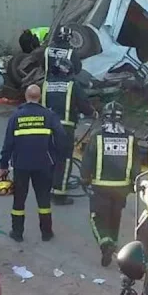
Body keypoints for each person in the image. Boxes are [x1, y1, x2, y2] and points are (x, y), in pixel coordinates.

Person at [0, 84, 66, 242]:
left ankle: (17, 233)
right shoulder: (49, 116)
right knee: (43, 199)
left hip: (21, 164)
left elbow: (8, 143)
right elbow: (61, 137)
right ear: (40, 97)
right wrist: (57, 157)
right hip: (44, 164)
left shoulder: (16, 117)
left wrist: (4, 164)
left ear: (26, 96)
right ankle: (46, 233)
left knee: (19, 200)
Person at [81, 101, 142, 267]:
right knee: (115, 217)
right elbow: (136, 163)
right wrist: (135, 183)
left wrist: (84, 178)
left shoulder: (97, 136)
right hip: (122, 188)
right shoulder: (130, 137)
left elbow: (88, 159)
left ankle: (105, 244)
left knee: (97, 218)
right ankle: (113, 245)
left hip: (100, 186)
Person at [42, 57, 95, 205]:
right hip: (64, 128)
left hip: (45, 128)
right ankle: (59, 194)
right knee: (64, 160)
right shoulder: (72, 85)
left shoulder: (45, 84)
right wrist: (92, 113)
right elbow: (84, 104)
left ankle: (47, 188)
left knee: (49, 158)